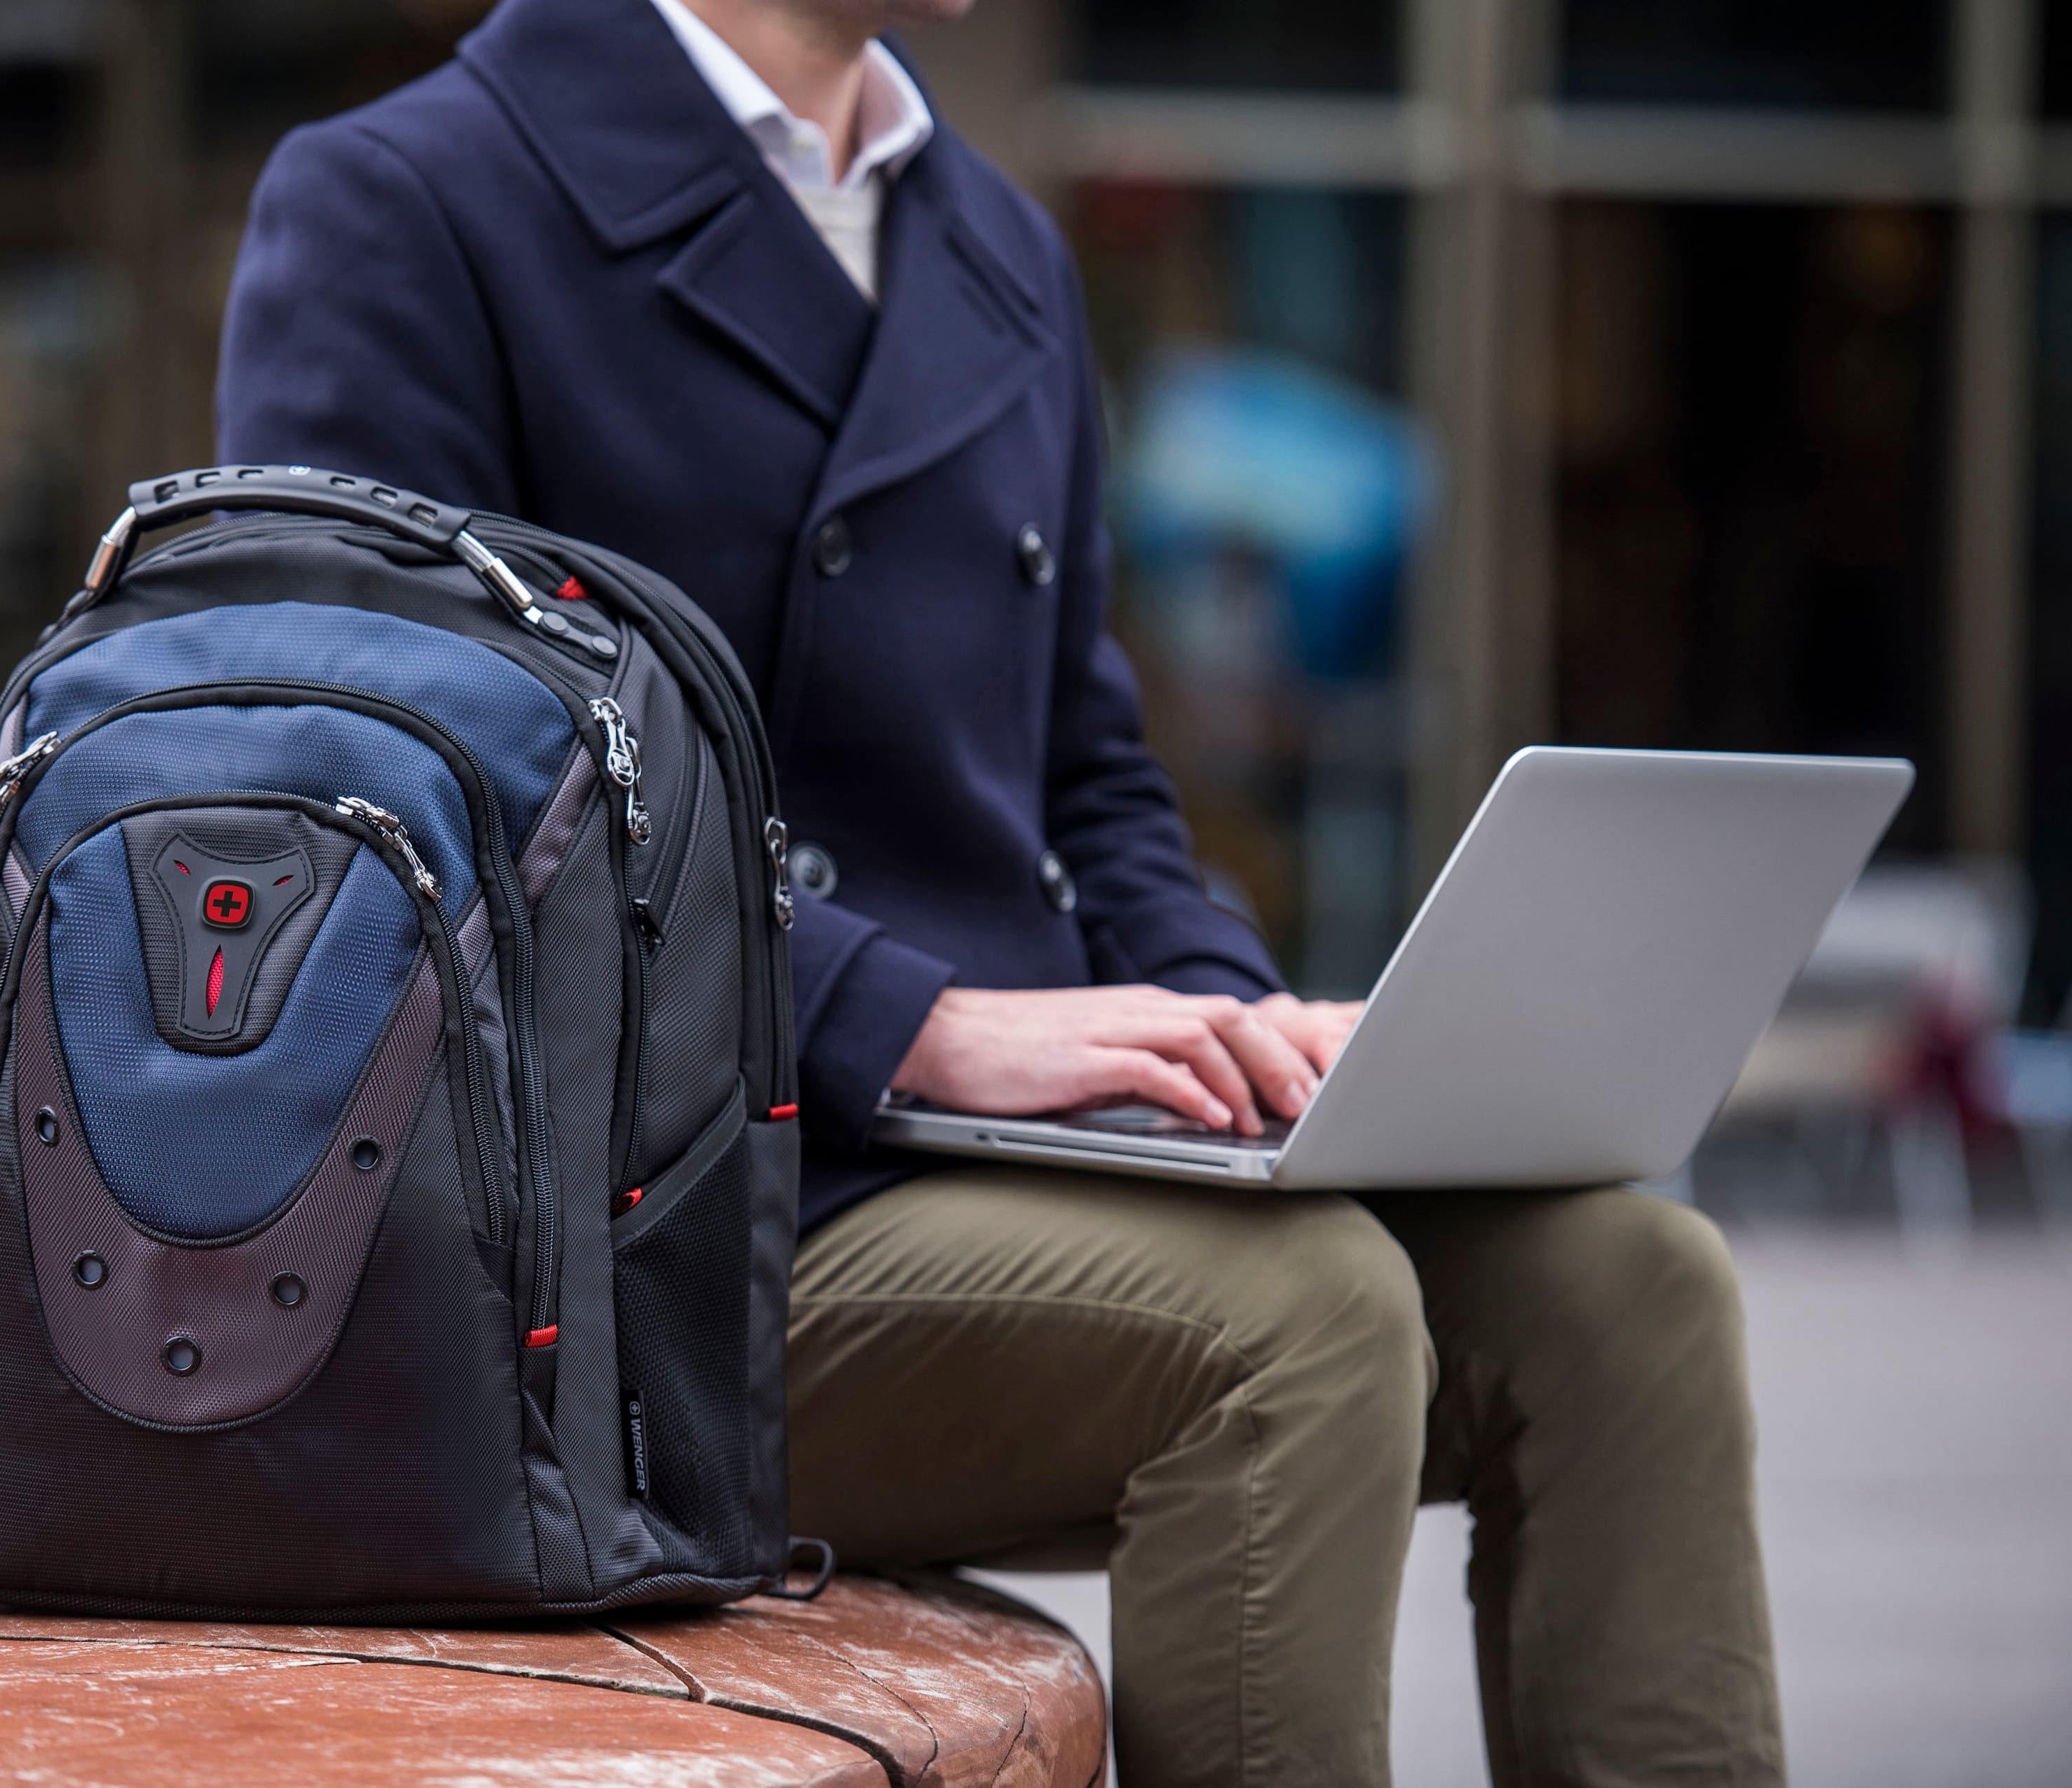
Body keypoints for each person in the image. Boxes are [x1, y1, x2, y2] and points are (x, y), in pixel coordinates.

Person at [215, 1, 1784, 1781]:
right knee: (1299, 1315)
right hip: (635, 1247)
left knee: (1633, 1284)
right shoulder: (407, 194)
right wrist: (910, 1020)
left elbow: (1088, 766)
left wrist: (1228, 1019)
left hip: (1000, 1160)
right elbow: (390, 792)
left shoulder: (991, 241)